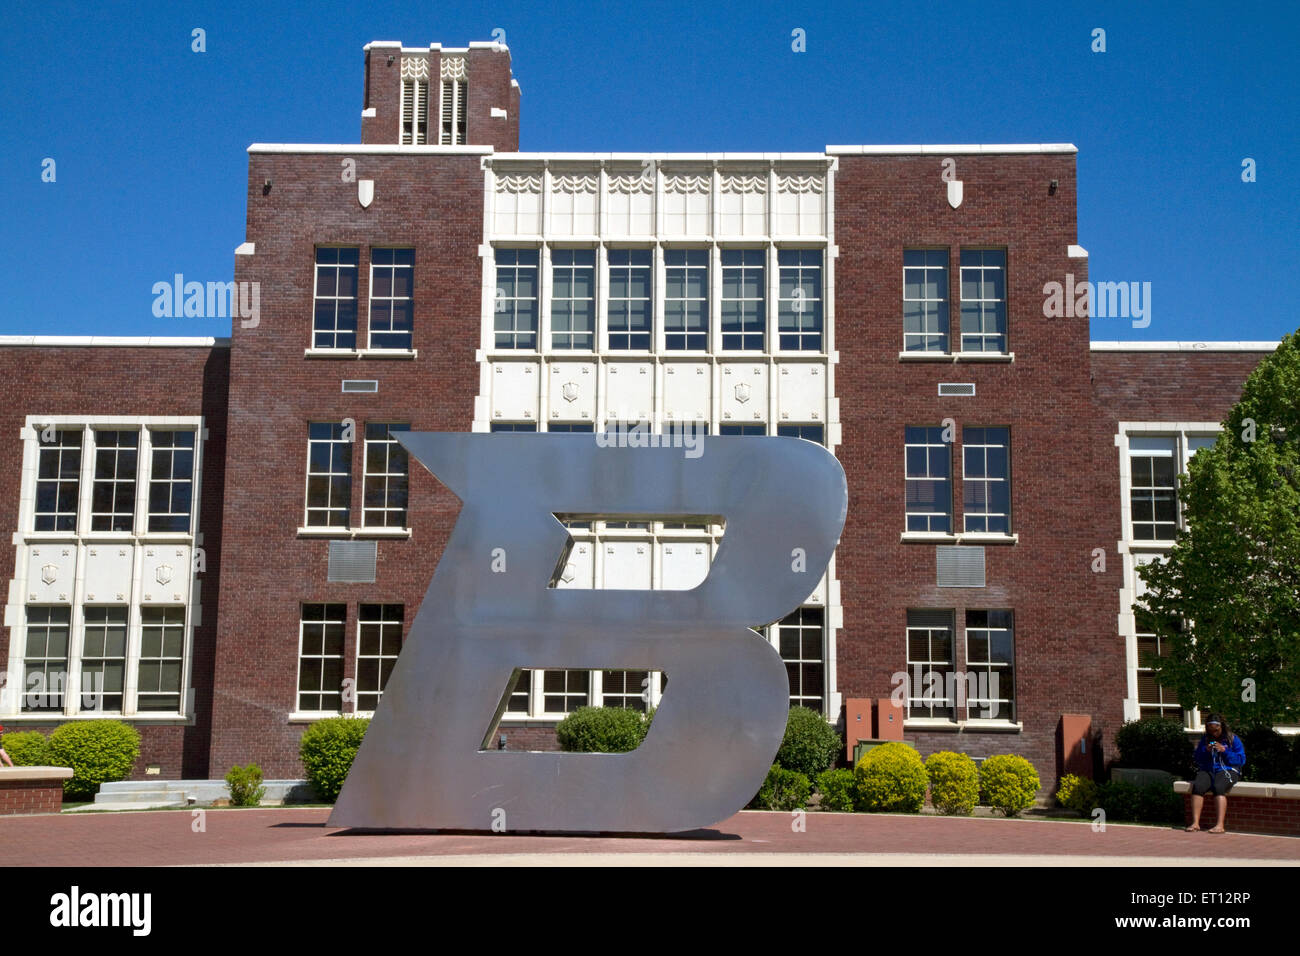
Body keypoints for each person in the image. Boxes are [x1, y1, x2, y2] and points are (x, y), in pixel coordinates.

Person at [1186, 714, 1245, 833]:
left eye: (1216, 730)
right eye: (1211, 730)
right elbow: (1197, 759)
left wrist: (1225, 751)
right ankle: (1195, 823)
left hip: (1228, 770)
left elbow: (1241, 760)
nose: (1214, 733)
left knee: (1219, 787)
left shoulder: (1232, 739)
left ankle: (1220, 825)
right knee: (1198, 786)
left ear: (1221, 727)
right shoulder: (1205, 739)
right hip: (1209, 769)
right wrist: (1206, 751)